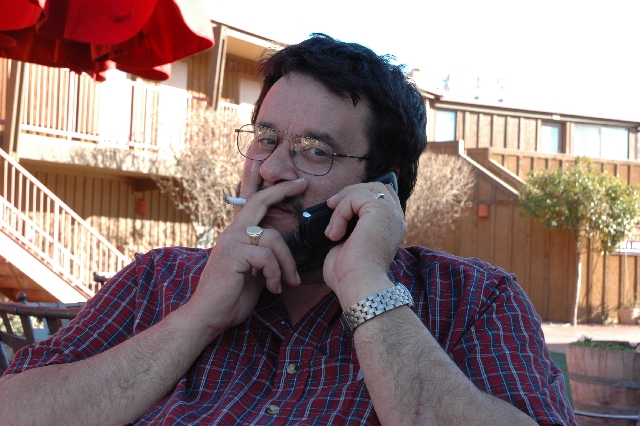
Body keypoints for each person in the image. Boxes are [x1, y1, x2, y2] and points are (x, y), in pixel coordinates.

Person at [0, 34, 576, 425]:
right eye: (267, 139)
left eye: (315, 150)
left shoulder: (473, 299)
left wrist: (366, 286)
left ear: (385, 186)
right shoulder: (160, 280)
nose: (272, 169)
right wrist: (196, 320)